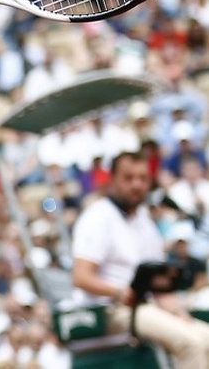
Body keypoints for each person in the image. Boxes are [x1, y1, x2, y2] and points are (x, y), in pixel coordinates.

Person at [72, 151, 209, 368]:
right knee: (190, 343)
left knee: (205, 338)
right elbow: (81, 277)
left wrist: (177, 311)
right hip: (109, 309)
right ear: (112, 179)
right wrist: (118, 292)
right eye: (128, 178)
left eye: (143, 178)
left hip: (144, 306)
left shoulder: (143, 219)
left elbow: (157, 280)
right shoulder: (97, 217)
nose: (136, 185)